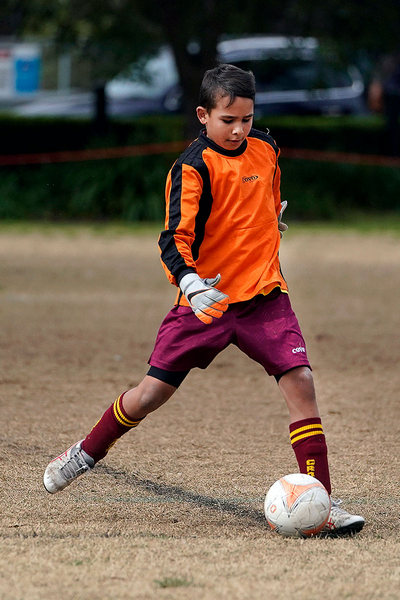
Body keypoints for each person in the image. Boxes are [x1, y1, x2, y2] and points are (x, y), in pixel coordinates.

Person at [44, 64, 365, 536]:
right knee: (150, 394)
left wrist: (271, 219)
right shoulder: (192, 167)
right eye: (227, 120)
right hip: (205, 302)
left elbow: (268, 195)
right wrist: (192, 284)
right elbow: (172, 239)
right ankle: (86, 452)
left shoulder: (268, 148)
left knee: (301, 381)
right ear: (203, 115)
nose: (238, 130)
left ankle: (322, 502)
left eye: (247, 119)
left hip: (263, 295)